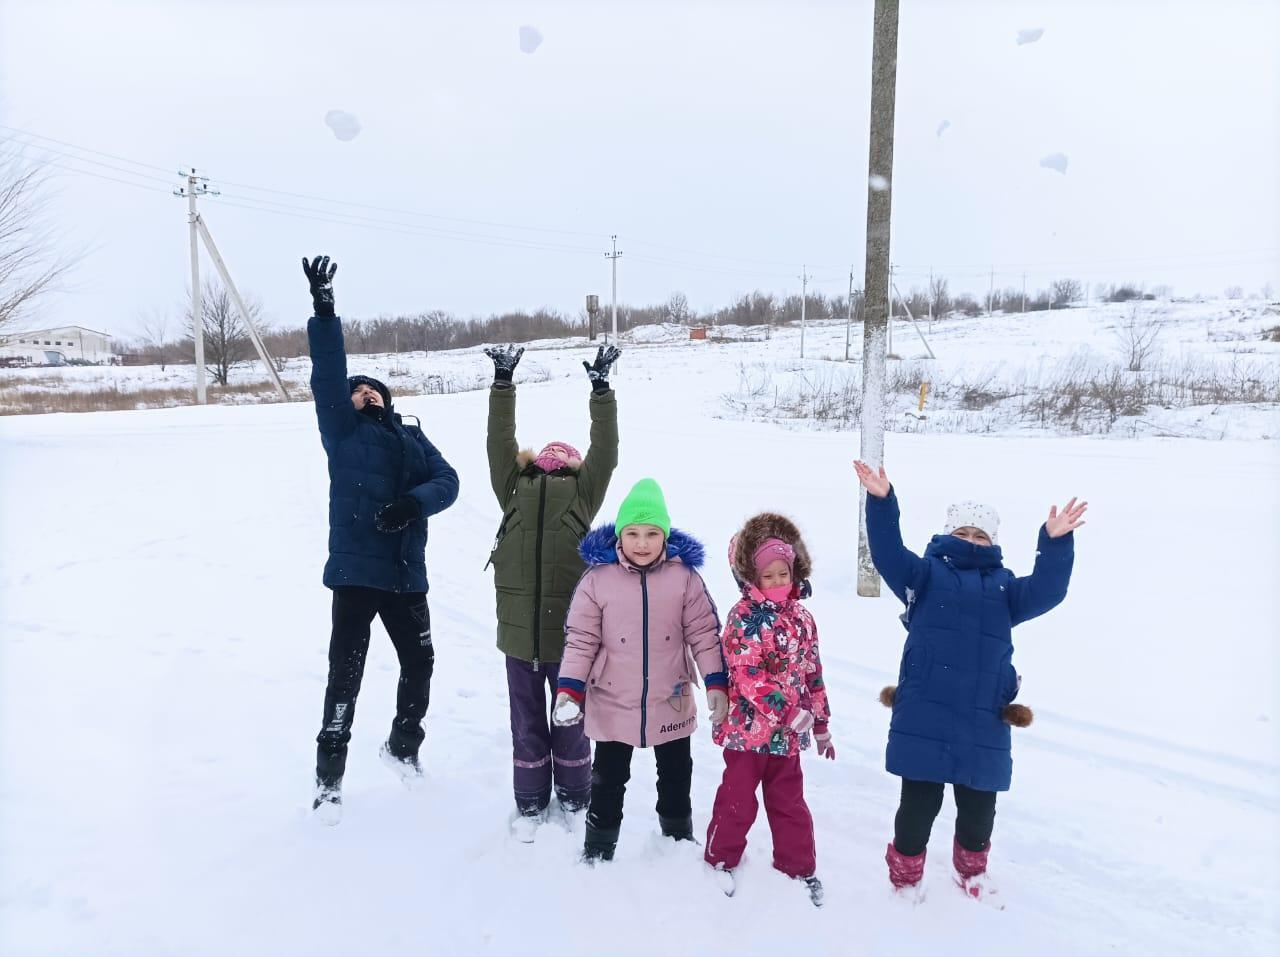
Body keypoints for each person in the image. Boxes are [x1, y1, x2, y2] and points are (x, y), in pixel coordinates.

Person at [853, 459, 1084, 899]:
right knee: (917, 809)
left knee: (979, 814)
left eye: (980, 535)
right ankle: (904, 878)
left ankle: (971, 874)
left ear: (992, 542)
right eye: (964, 533)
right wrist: (883, 502)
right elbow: (886, 551)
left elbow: (1049, 591)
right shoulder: (922, 575)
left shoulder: (1005, 589)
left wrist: (1054, 544)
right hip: (925, 713)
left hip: (983, 721)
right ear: (947, 534)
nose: (972, 541)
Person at [303, 254, 460, 824]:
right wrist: (325, 311)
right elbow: (326, 372)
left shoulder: (413, 440)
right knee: (345, 675)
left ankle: (402, 745)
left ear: (388, 400)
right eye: (358, 389)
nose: (366, 393)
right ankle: (329, 779)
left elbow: (449, 482)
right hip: (354, 574)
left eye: (374, 389)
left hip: (404, 577)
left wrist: (412, 503)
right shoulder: (341, 435)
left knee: (420, 663)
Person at [483, 342, 620, 840]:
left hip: (570, 641)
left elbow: (606, 450)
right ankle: (530, 796)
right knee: (525, 722)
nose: (553, 461)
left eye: (562, 459)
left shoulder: (584, 492)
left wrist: (601, 392)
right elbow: (499, 441)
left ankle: (576, 792)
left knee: (569, 720)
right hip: (519, 639)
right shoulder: (513, 486)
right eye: (547, 457)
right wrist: (503, 382)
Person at [552, 478, 727, 863]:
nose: (642, 543)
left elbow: (705, 633)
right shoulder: (597, 580)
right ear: (619, 535)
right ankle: (599, 844)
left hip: (672, 696)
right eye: (633, 533)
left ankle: (677, 834)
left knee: (677, 772)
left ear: (664, 535)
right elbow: (581, 639)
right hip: (614, 697)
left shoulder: (684, 579)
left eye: (651, 533)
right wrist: (570, 690)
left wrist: (716, 682)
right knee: (609, 778)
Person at [703, 513, 833, 906]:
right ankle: (720, 859)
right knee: (737, 800)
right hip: (746, 734)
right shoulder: (742, 619)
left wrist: (822, 724)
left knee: (790, 803)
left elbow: (812, 671)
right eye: (768, 575)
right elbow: (748, 676)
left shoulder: (803, 619)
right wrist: (788, 712)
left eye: (784, 573)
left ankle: (798, 867)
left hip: (787, 739)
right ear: (751, 579)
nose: (778, 582)